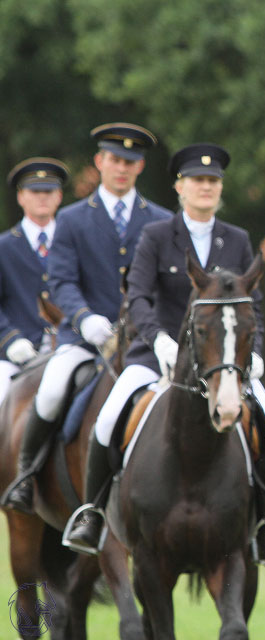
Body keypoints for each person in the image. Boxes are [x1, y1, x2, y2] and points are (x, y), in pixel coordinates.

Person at [63, 143, 265, 564]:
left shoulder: (237, 239)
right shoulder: (155, 236)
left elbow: (251, 305)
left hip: (224, 362)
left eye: (213, 181)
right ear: (180, 187)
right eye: (197, 181)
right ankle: (92, 514)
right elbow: (139, 296)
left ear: (220, 189)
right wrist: (159, 341)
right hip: (156, 356)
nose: (206, 188)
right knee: (109, 418)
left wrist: (254, 353)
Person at [2, 124, 172, 513]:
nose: (121, 168)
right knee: (49, 390)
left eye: (130, 162)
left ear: (141, 166)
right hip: (84, 338)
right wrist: (84, 319)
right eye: (114, 159)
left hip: (142, 342)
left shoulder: (161, 221)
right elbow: (61, 281)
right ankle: (26, 477)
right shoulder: (73, 219)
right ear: (99, 162)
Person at [0, 158, 68, 404]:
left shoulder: (71, 243)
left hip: (68, 348)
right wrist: (10, 339)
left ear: (59, 196)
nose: (42, 197)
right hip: (15, 355)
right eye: (34, 191)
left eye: (48, 191)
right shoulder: (3, 247)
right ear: (21, 197)